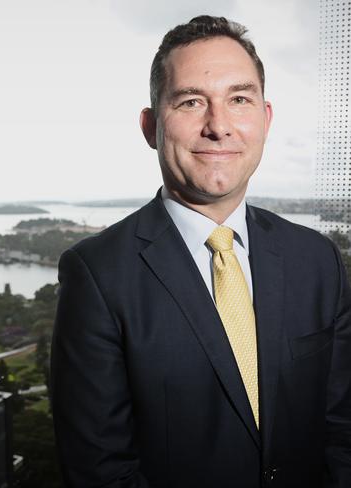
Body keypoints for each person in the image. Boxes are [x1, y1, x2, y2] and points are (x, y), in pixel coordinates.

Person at [50, 15, 351, 488]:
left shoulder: (318, 260)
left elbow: (342, 430)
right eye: (191, 101)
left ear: (265, 119)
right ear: (151, 127)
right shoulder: (97, 275)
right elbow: (101, 472)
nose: (219, 126)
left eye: (239, 99)